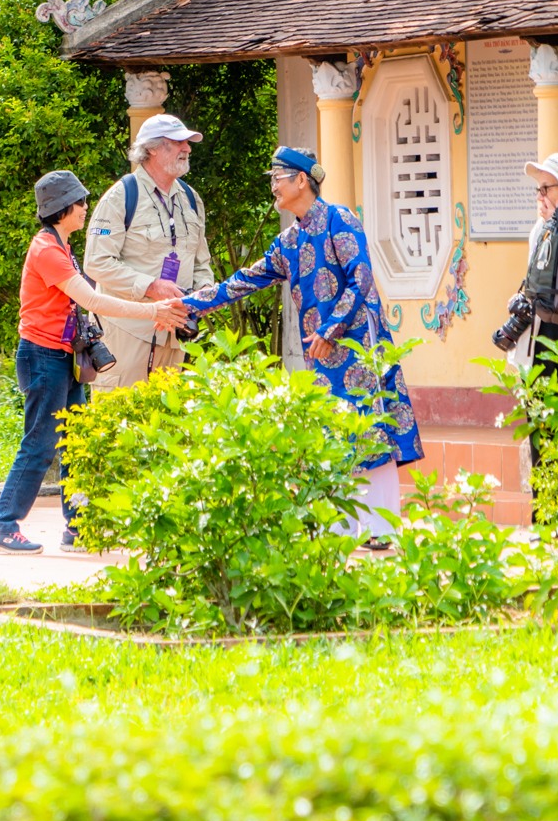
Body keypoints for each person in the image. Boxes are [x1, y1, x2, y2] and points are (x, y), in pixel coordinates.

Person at [180, 146, 423, 548]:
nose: (273, 186)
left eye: (277, 177)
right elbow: (244, 280)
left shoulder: (339, 218)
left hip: (357, 342)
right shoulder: (288, 240)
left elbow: (360, 277)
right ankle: (345, 530)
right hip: (321, 349)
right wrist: (188, 304)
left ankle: (380, 530)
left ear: (300, 180)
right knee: (335, 430)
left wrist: (330, 330)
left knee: (368, 425)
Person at [0, 170, 188, 556]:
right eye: (79, 202)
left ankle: (79, 528)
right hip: (42, 357)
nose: (85, 208)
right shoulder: (46, 250)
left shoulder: (61, 247)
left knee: (76, 443)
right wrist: (153, 310)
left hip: (64, 356)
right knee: (41, 444)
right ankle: (3, 524)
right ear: (62, 209)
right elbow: (92, 300)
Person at [82, 113, 215, 389]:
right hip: (128, 333)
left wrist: (200, 299)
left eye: (188, 143)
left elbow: (202, 263)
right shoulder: (119, 196)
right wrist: (151, 287)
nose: (187, 149)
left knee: (167, 427)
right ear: (152, 148)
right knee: (119, 423)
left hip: (175, 335)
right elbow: (96, 263)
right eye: (178, 142)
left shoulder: (191, 199)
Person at [499, 152, 558, 373]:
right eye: (538, 190)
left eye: (546, 189)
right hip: (541, 333)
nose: (539, 197)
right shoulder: (540, 230)